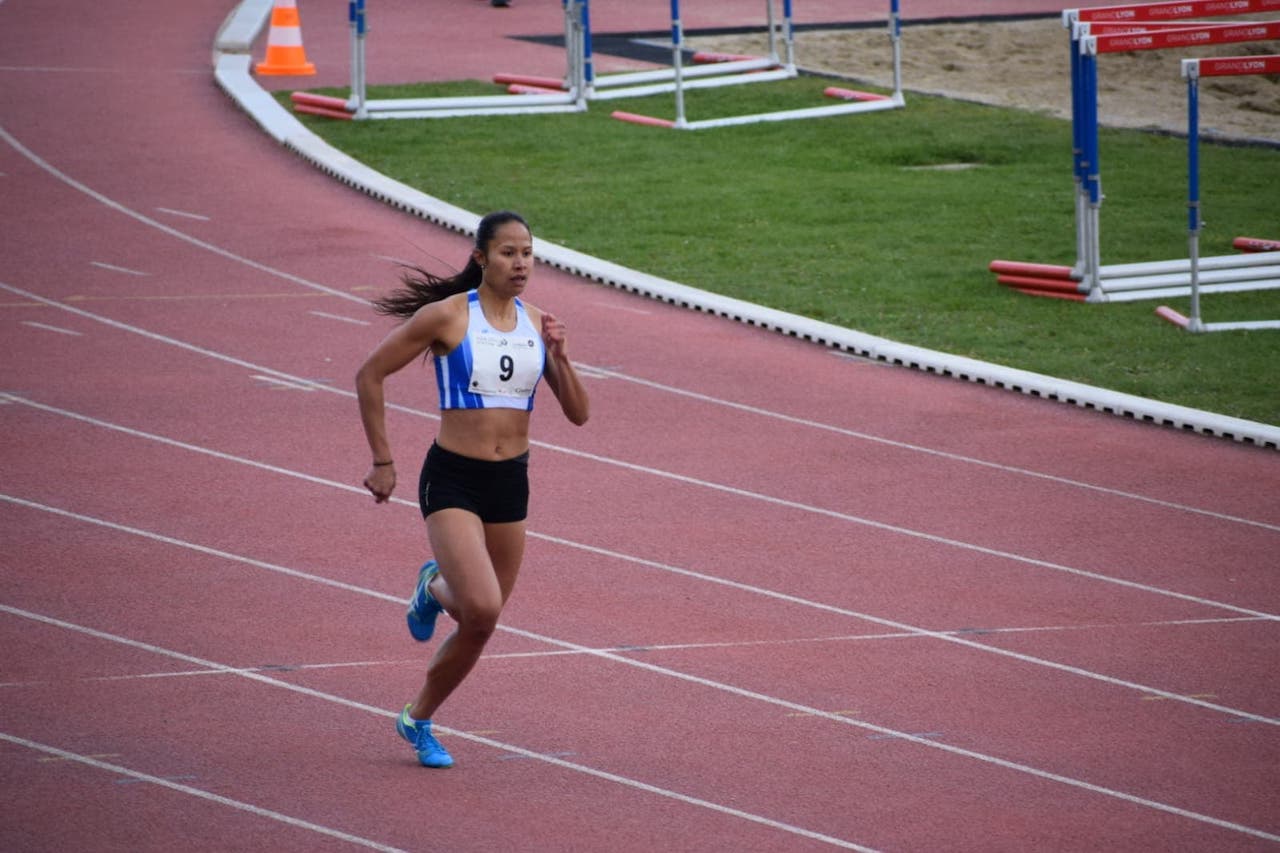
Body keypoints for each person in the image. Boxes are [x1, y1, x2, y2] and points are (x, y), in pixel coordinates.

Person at [355, 211, 590, 768]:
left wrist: (561, 358)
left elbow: (579, 415)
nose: (521, 263)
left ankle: (416, 714)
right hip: (454, 477)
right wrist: (383, 460)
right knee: (482, 605)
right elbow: (370, 374)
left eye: (528, 253)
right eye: (508, 253)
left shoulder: (538, 324)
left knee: (481, 621)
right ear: (482, 258)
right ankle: (434, 597)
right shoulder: (447, 317)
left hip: (510, 483)